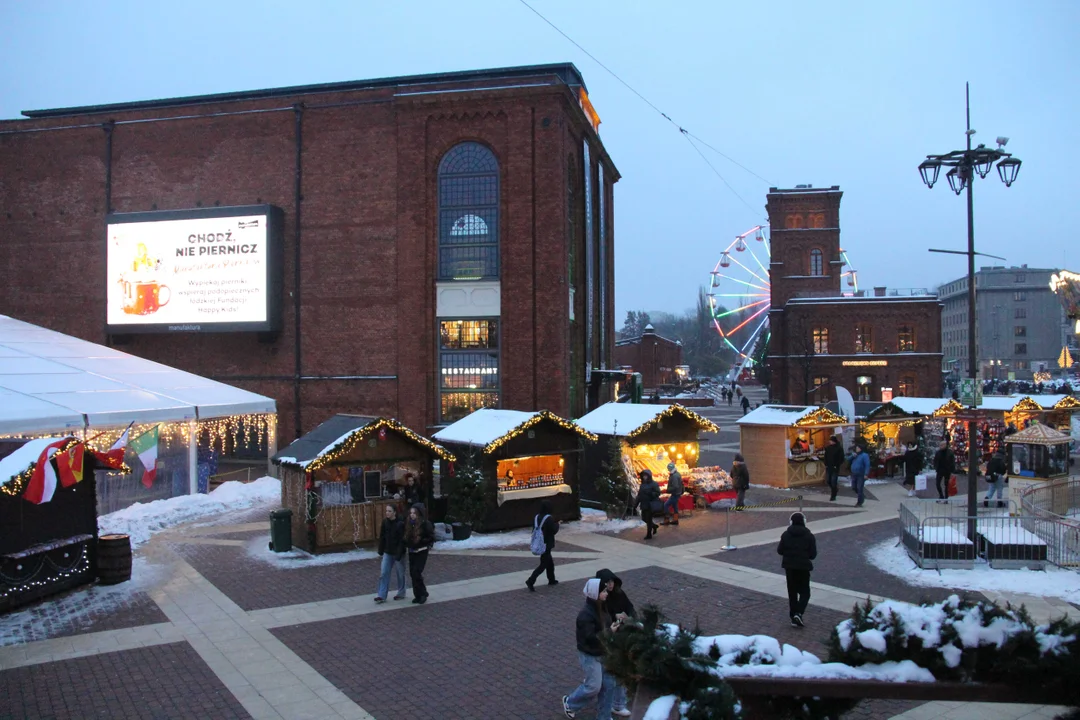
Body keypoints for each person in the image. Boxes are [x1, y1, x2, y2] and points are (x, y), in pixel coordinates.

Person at [562, 578, 616, 720]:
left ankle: (604, 716)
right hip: (590, 655)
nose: (606, 593)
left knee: (609, 684)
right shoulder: (585, 615)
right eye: (603, 591)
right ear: (594, 594)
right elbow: (590, 638)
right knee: (593, 686)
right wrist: (610, 632)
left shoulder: (601, 606)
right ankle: (570, 703)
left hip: (603, 652)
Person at [596, 569, 635, 718]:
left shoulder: (619, 594)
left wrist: (629, 617)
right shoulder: (600, 599)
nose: (610, 586)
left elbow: (629, 606)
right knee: (612, 673)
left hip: (620, 634)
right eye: (607, 583)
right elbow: (602, 617)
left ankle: (618, 703)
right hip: (609, 637)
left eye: (612, 582)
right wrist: (615, 616)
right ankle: (614, 704)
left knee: (619, 671)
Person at [777, 512, 817, 628]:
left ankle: (793, 615)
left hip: (789, 567)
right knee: (805, 592)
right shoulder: (809, 536)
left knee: (792, 592)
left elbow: (780, 550)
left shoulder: (785, 534)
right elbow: (813, 555)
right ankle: (798, 613)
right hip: (803, 567)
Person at [374, 504, 406, 603]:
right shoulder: (385, 522)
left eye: (389, 511)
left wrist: (399, 553)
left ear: (394, 512)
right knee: (384, 573)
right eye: (386, 511)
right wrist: (381, 549)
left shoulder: (400, 524)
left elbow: (402, 540)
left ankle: (401, 592)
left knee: (400, 573)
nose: (387, 513)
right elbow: (382, 537)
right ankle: (382, 595)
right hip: (388, 552)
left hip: (398, 553)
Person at [404, 502, 434, 604]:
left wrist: (421, 541)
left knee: (417, 572)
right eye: (411, 513)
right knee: (412, 573)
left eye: (414, 513)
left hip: (421, 551)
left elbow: (431, 537)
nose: (412, 515)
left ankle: (422, 594)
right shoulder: (408, 524)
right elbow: (406, 537)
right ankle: (418, 594)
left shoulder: (425, 524)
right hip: (412, 551)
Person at [526, 500, 560, 590]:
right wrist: (557, 525)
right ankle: (531, 580)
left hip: (540, 542)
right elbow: (553, 530)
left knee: (549, 563)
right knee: (544, 564)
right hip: (546, 543)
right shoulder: (549, 518)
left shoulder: (536, 517)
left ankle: (551, 579)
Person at [633, 469, 662, 540]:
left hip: (650, 504)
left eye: (646, 476)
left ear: (649, 476)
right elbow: (639, 495)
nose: (644, 477)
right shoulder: (642, 485)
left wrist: (650, 493)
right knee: (644, 518)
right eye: (643, 476)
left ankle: (649, 534)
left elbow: (658, 493)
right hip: (643, 504)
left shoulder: (654, 484)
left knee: (648, 519)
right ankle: (654, 526)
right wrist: (635, 504)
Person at [933, 440, 956, 504]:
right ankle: (941, 496)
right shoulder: (938, 452)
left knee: (946, 485)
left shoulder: (950, 452)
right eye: (940, 445)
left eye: (942, 445)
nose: (941, 446)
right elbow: (935, 460)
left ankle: (946, 498)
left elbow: (952, 462)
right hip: (940, 470)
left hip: (947, 470)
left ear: (946, 445)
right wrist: (935, 467)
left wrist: (952, 471)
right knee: (938, 484)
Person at [848, 444, 870, 508]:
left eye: (858, 448)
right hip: (854, 473)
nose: (856, 449)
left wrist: (866, 474)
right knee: (854, 487)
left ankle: (859, 502)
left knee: (859, 488)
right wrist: (852, 456)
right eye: (856, 448)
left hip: (861, 474)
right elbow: (848, 459)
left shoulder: (864, 455)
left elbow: (867, 465)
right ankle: (862, 496)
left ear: (860, 449)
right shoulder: (855, 455)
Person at [823, 435, 844, 501]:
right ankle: (835, 489)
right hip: (829, 467)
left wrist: (837, 465)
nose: (830, 442)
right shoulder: (828, 448)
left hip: (835, 467)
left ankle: (833, 495)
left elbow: (841, 458)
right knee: (829, 481)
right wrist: (825, 464)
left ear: (834, 441)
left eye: (831, 440)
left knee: (833, 481)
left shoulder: (839, 448)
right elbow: (826, 456)